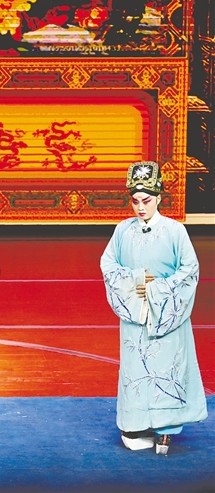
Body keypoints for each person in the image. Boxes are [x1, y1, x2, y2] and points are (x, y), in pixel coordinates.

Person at [100, 161, 208, 455]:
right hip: (136, 315)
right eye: (135, 201)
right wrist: (134, 282)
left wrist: (157, 289)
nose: (140, 207)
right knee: (136, 368)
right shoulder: (122, 230)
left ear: (158, 197)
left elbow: (189, 270)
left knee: (167, 368)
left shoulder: (175, 230)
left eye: (146, 200)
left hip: (167, 314)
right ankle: (135, 425)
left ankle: (166, 430)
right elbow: (108, 265)